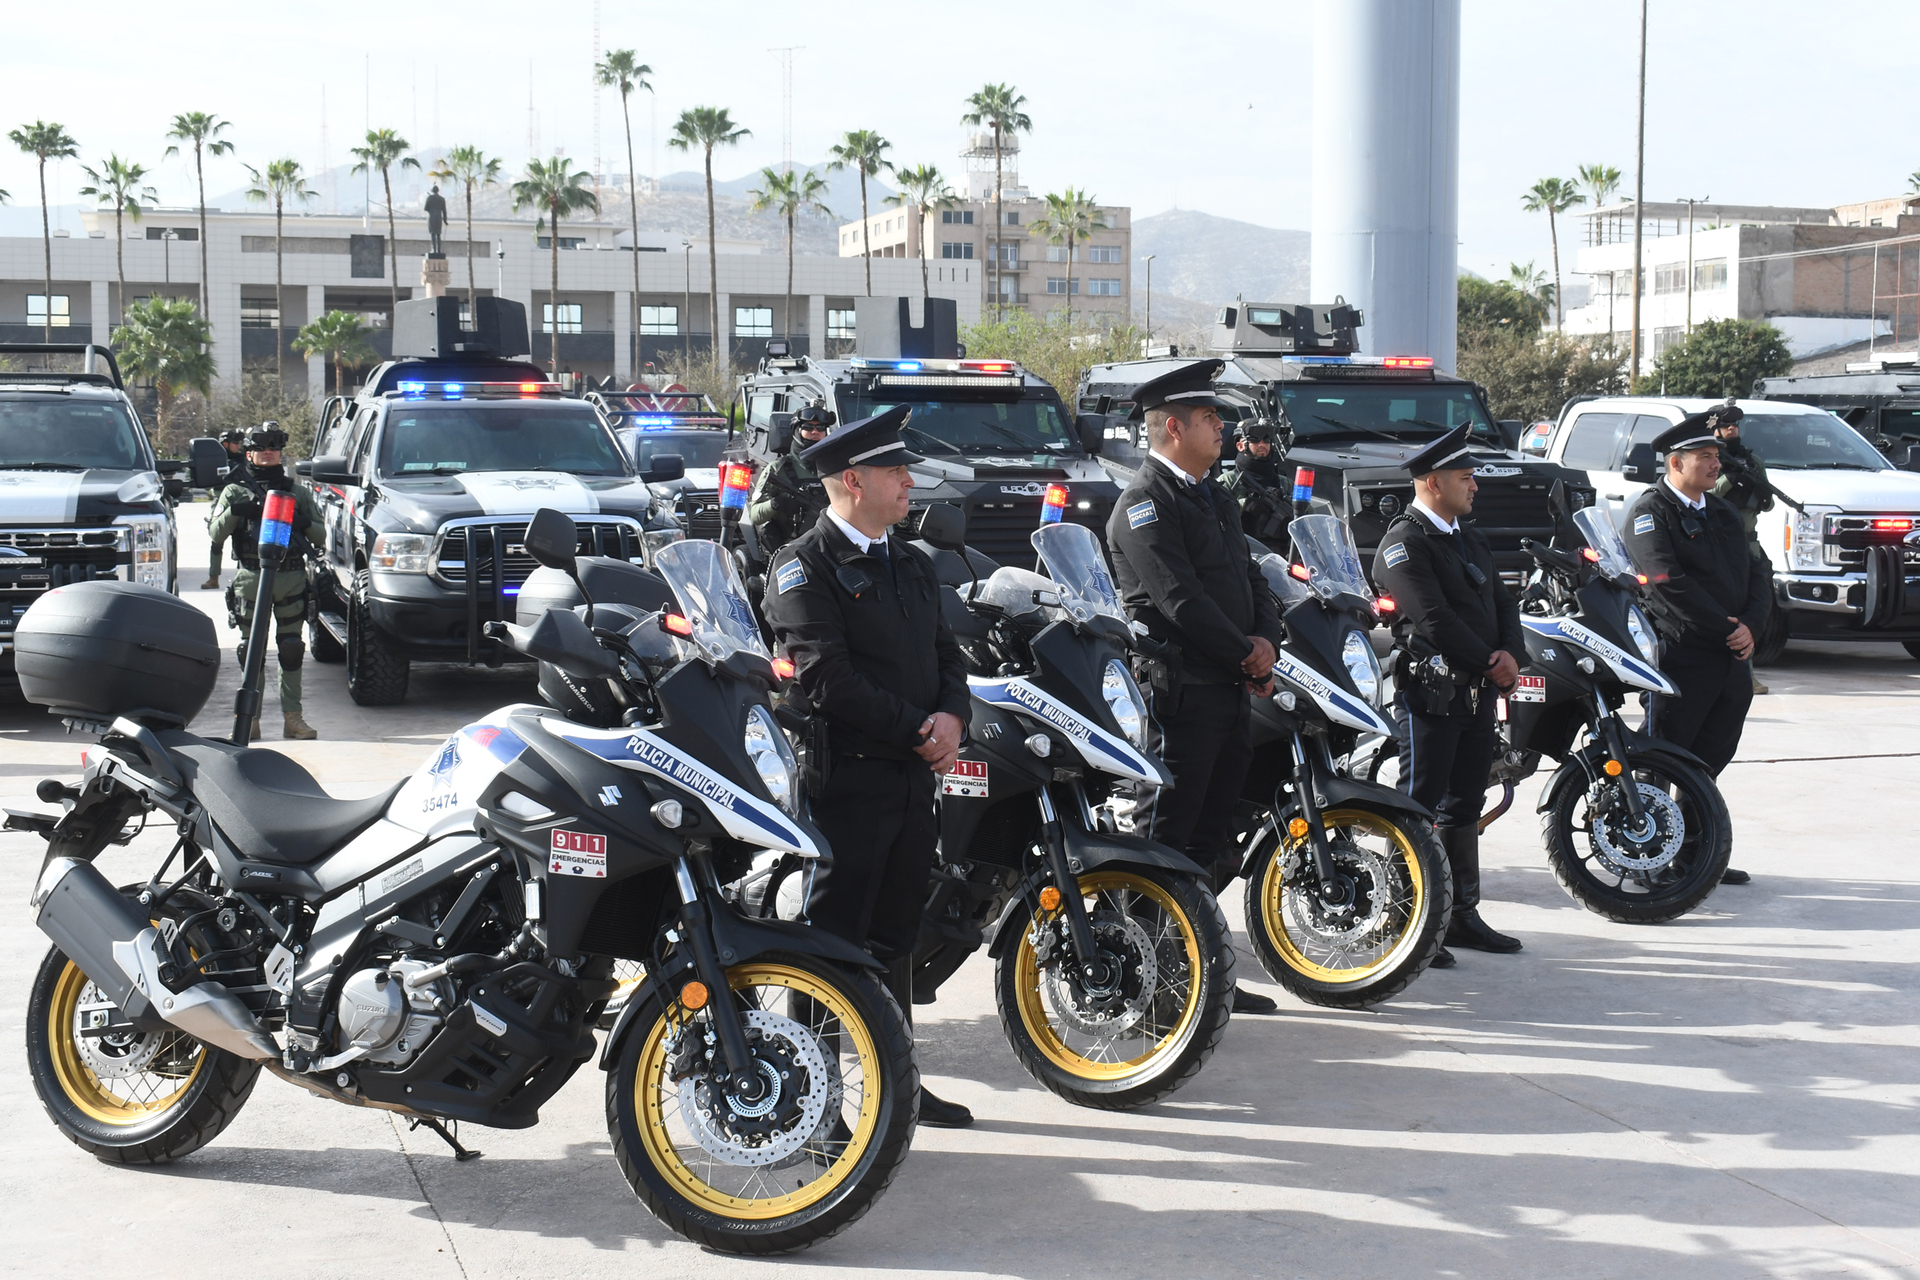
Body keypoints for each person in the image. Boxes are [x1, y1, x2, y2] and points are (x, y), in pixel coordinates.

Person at [761, 404, 975, 1127]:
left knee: (895, 937)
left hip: (912, 778)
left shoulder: (908, 561)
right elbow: (825, 676)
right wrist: (918, 727)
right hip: (847, 780)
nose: (909, 481)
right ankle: (813, 1100)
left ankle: (896, 1082)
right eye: (896, 470)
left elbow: (947, 655)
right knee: (831, 943)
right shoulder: (803, 566)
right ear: (853, 480)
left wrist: (953, 718)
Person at [1105, 360, 1286, 1016]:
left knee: (1209, 842)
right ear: (1174, 428)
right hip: (1178, 696)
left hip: (1227, 689)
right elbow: (1178, 599)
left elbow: (1252, 577)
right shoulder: (1144, 504)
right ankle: (1145, 983)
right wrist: (1246, 653)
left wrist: (1267, 641)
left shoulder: (1215, 497)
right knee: (1165, 843)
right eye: (1210, 418)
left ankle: (1200, 972)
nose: (1223, 428)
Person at [1372, 423, 1525, 969]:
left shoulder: (1468, 537)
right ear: (1433, 483)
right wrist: (1491, 660)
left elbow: (1503, 602)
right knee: (1417, 806)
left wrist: (1512, 654)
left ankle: (1460, 913)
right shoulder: (1404, 543)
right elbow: (1433, 619)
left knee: (1464, 803)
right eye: (1465, 477)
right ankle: (1403, 919)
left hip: (1476, 694)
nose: (1475, 485)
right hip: (1431, 697)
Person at [1622, 412, 1771, 886]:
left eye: (1715, 456)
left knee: (1709, 757)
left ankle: (1694, 856)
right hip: (1682, 654)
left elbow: (1759, 570)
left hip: (1731, 656)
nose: (1715, 464)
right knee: (1662, 757)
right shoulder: (1651, 513)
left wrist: (1751, 626)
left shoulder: (1722, 512)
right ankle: (1645, 858)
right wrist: (1726, 627)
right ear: (1675, 462)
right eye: (1704, 456)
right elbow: (1665, 581)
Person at [207, 423, 325, 741]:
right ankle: (250, 719)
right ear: (248, 453)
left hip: (290, 577)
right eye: (261, 446)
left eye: (274, 446)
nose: (268, 451)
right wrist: (236, 510)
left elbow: (320, 536)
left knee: (291, 648)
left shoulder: (297, 492)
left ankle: (293, 718)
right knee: (251, 651)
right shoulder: (234, 491)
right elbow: (215, 533)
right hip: (251, 577)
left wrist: (300, 520)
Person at [1706, 400, 1774, 695]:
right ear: (1715, 429)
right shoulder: (1711, 459)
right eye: (1726, 425)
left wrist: (1755, 485)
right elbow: (1707, 495)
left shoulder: (1752, 461)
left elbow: (1768, 504)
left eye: (1735, 425)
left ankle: (1748, 673)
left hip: (1748, 542)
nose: (1732, 429)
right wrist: (1730, 480)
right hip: (1718, 543)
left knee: (1751, 606)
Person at [747, 401, 834, 556]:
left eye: (821, 428)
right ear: (796, 430)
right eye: (808, 427)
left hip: (830, 548)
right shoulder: (778, 469)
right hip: (791, 551)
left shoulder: (835, 468)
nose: (815, 432)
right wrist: (775, 504)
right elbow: (754, 515)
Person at [1222, 419, 1287, 543]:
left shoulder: (1284, 483)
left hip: (1281, 552)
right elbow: (1213, 515)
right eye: (1255, 440)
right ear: (1240, 446)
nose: (1262, 444)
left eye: (1266, 440)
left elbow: (1308, 517)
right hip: (1242, 549)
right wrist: (1244, 505)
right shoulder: (1228, 480)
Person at [202, 429, 251, 590]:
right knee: (216, 540)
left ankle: (242, 577)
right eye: (235, 443)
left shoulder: (244, 460)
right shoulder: (217, 461)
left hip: (240, 501)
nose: (238, 446)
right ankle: (213, 577)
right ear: (225, 444)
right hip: (221, 502)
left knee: (243, 540)